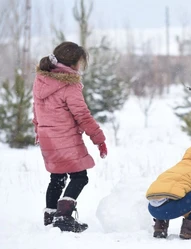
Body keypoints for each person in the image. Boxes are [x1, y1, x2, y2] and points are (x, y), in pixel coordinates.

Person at [32, 41, 107, 233]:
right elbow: (82, 115)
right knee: (80, 177)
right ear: (74, 64)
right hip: (64, 137)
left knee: (56, 177)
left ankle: (50, 216)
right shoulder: (69, 84)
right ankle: (63, 217)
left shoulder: (41, 80)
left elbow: (37, 110)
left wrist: (37, 130)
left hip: (47, 136)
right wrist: (99, 138)